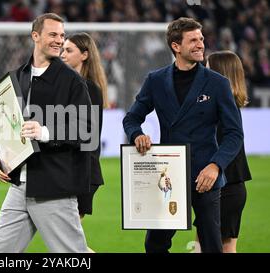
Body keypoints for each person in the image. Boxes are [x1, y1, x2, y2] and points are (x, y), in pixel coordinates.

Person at [122, 17, 244, 253]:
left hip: (205, 177)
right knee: (154, 245)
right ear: (176, 47)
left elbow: (234, 133)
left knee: (211, 245)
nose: (200, 45)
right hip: (169, 175)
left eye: (201, 39)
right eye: (193, 40)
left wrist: (216, 165)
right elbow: (131, 118)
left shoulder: (218, 83)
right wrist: (137, 134)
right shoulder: (155, 80)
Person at [0, 13, 93, 253]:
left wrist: (44, 131)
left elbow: (87, 130)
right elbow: (0, 120)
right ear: (35, 36)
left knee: (72, 256)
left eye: (62, 36)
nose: (59, 40)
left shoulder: (73, 82)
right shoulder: (17, 76)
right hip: (19, 185)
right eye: (53, 34)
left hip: (53, 187)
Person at [194, 50, 252, 253]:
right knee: (211, 246)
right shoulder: (227, 106)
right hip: (226, 187)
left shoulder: (223, 110)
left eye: (208, 68)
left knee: (215, 248)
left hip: (225, 188)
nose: (203, 73)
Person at [61, 32, 107, 218]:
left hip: (82, 172)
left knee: (69, 243)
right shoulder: (73, 86)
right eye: (62, 50)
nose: (62, 54)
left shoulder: (88, 89)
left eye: (69, 50)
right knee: (68, 242)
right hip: (73, 170)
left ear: (84, 55)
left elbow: (85, 136)